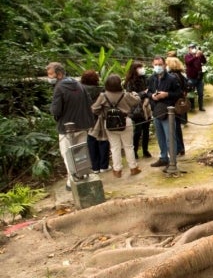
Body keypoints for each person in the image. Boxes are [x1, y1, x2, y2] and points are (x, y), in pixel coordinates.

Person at [46, 62, 96, 191]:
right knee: (81, 152)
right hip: (83, 125)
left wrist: (56, 116)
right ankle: (83, 174)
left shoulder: (59, 88)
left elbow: (56, 111)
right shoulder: (79, 84)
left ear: (59, 74)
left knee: (67, 153)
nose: (49, 77)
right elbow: (89, 102)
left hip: (67, 128)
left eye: (51, 74)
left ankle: (72, 179)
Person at [91, 74, 141, 178]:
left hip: (109, 123)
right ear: (119, 84)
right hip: (125, 121)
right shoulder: (125, 94)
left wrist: (104, 113)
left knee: (114, 147)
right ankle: (133, 168)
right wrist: (136, 95)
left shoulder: (103, 96)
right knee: (128, 146)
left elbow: (94, 109)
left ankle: (117, 170)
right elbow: (136, 101)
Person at [146, 55, 182, 168]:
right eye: (156, 65)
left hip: (168, 112)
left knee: (170, 137)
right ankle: (163, 158)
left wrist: (167, 94)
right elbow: (147, 92)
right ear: (152, 65)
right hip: (156, 111)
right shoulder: (151, 79)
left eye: (160, 64)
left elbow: (179, 94)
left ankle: (172, 160)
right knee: (160, 137)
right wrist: (152, 96)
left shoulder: (172, 78)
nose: (158, 67)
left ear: (165, 65)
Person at [80, 70, 110, 174]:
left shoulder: (80, 90)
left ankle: (94, 166)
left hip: (87, 119)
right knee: (103, 141)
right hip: (100, 118)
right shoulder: (100, 90)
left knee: (91, 142)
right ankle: (104, 165)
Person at [124, 62, 152, 159]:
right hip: (136, 109)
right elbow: (130, 96)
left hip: (146, 107)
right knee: (138, 131)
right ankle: (135, 151)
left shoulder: (145, 78)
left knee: (146, 129)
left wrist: (143, 94)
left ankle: (145, 150)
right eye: (139, 67)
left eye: (142, 67)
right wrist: (143, 93)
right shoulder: (129, 82)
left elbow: (150, 91)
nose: (141, 69)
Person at [165, 56, 187, 156]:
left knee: (174, 127)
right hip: (180, 104)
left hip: (173, 104)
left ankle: (178, 148)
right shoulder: (182, 75)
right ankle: (181, 148)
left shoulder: (172, 76)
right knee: (177, 127)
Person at [184, 43, 206, 111]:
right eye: (191, 48)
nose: (193, 49)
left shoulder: (199, 55)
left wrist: (202, 55)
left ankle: (201, 106)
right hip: (191, 77)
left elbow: (204, 61)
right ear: (189, 49)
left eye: (194, 47)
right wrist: (196, 56)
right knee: (191, 93)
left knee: (200, 93)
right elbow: (188, 62)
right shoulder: (187, 56)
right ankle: (192, 107)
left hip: (199, 77)